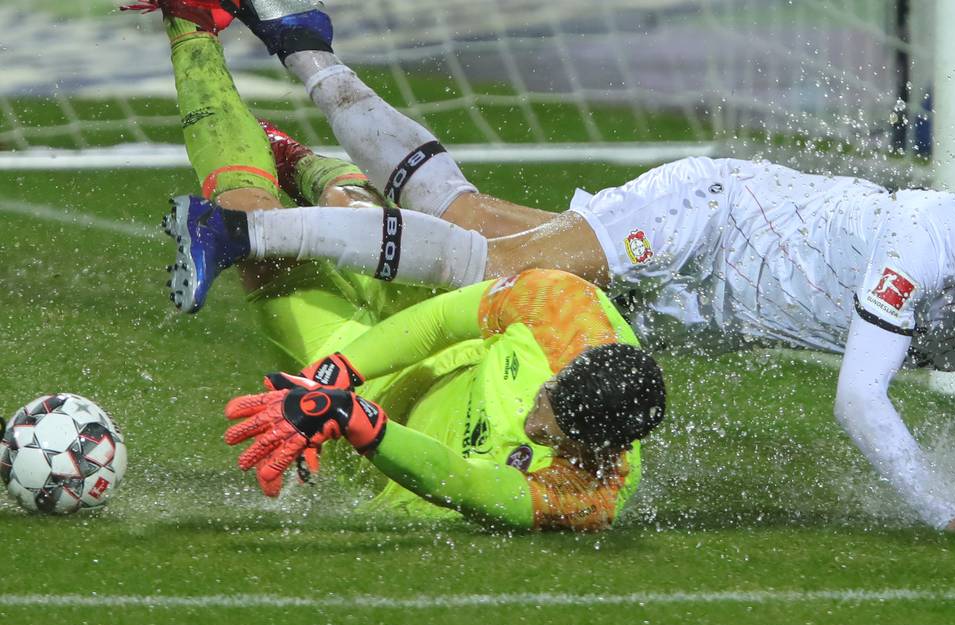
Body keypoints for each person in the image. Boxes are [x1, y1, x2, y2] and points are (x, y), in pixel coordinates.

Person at [146, 0, 955, 533]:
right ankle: (240, 235)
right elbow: (860, 400)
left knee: (462, 211)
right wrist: (947, 510)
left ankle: (300, 43)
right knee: (485, 264)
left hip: (697, 306)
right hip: (710, 222)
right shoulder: (926, 244)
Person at [134, 0, 667, 531]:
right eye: (546, 395)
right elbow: (442, 320)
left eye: (551, 430)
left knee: (256, 230)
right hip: (430, 333)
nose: (534, 419)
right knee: (361, 217)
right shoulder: (565, 309)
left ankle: (192, 31)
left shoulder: (585, 498)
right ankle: (293, 152)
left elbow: (460, 480)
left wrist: (351, 415)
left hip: (378, 416)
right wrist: (337, 373)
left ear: (596, 446)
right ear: (568, 368)